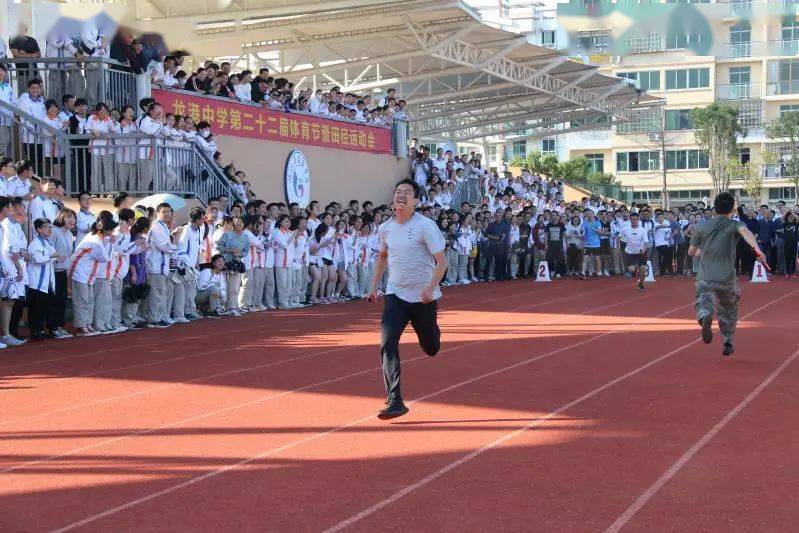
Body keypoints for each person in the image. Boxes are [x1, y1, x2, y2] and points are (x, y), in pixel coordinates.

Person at [367, 179, 447, 420]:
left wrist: (430, 288)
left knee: (431, 347)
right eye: (398, 192)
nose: (401, 195)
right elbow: (382, 256)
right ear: (393, 200)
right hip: (396, 295)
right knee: (387, 343)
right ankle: (395, 400)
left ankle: (433, 333)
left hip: (423, 298)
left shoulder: (426, 225)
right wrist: (373, 286)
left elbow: (441, 261)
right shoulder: (386, 228)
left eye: (407, 193)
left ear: (416, 201)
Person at [689, 192, 767, 357]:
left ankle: (704, 315)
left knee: (703, 299)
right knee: (729, 308)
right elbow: (747, 234)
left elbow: (691, 252)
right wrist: (758, 251)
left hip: (705, 276)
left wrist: (704, 251)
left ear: (714, 208)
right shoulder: (734, 224)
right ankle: (727, 340)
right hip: (727, 277)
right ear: (732, 208)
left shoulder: (702, 226)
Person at [620, 212, 649, 291]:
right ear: (630, 220)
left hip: (640, 252)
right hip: (630, 252)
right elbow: (618, 237)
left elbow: (646, 242)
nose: (634, 221)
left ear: (638, 220)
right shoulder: (626, 229)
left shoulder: (642, 230)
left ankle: (641, 284)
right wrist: (619, 247)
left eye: (635, 219)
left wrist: (644, 249)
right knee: (632, 269)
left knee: (643, 271)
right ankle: (635, 269)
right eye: (632, 220)